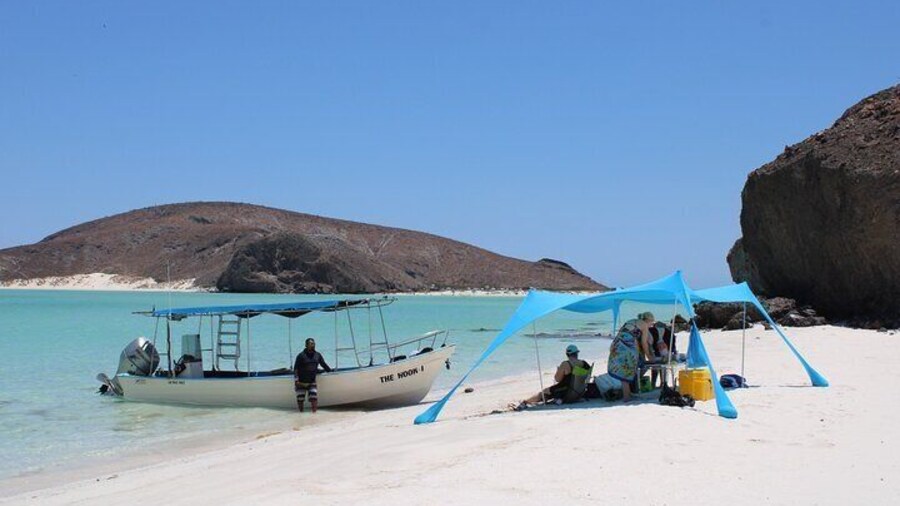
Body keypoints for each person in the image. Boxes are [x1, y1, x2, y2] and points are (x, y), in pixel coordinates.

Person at [514, 344, 592, 410]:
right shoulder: (584, 363)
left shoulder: (566, 364)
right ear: (577, 353)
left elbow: (557, 379)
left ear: (567, 354)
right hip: (579, 393)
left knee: (545, 391)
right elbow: (588, 377)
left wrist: (559, 370)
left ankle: (525, 402)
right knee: (552, 391)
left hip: (566, 392)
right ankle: (557, 399)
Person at [607, 312, 656, 402]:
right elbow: (644, 343)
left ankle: (628, 393)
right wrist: (649, 356)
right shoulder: (644, 325)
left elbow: (622, 333)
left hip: (617, 344)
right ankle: (627, 397)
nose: (651, 326)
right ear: (648, 320)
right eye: (651, 323)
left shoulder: (631, 321)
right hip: (626, 346)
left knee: (623, 370)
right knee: (627, 370)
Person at [293, 338, 332, 413]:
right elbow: (295, 369)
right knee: (300, 400)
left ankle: (314, 415)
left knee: (314, 399)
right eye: (311, 344)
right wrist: (296, 380)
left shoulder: (317, 355)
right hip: (301, 382)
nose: (313, 345)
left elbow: (323, 364)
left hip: (312, 382)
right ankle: (300, 414)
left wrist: (330, 372)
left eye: (313, 343)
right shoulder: (301, 356)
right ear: (306, 345)